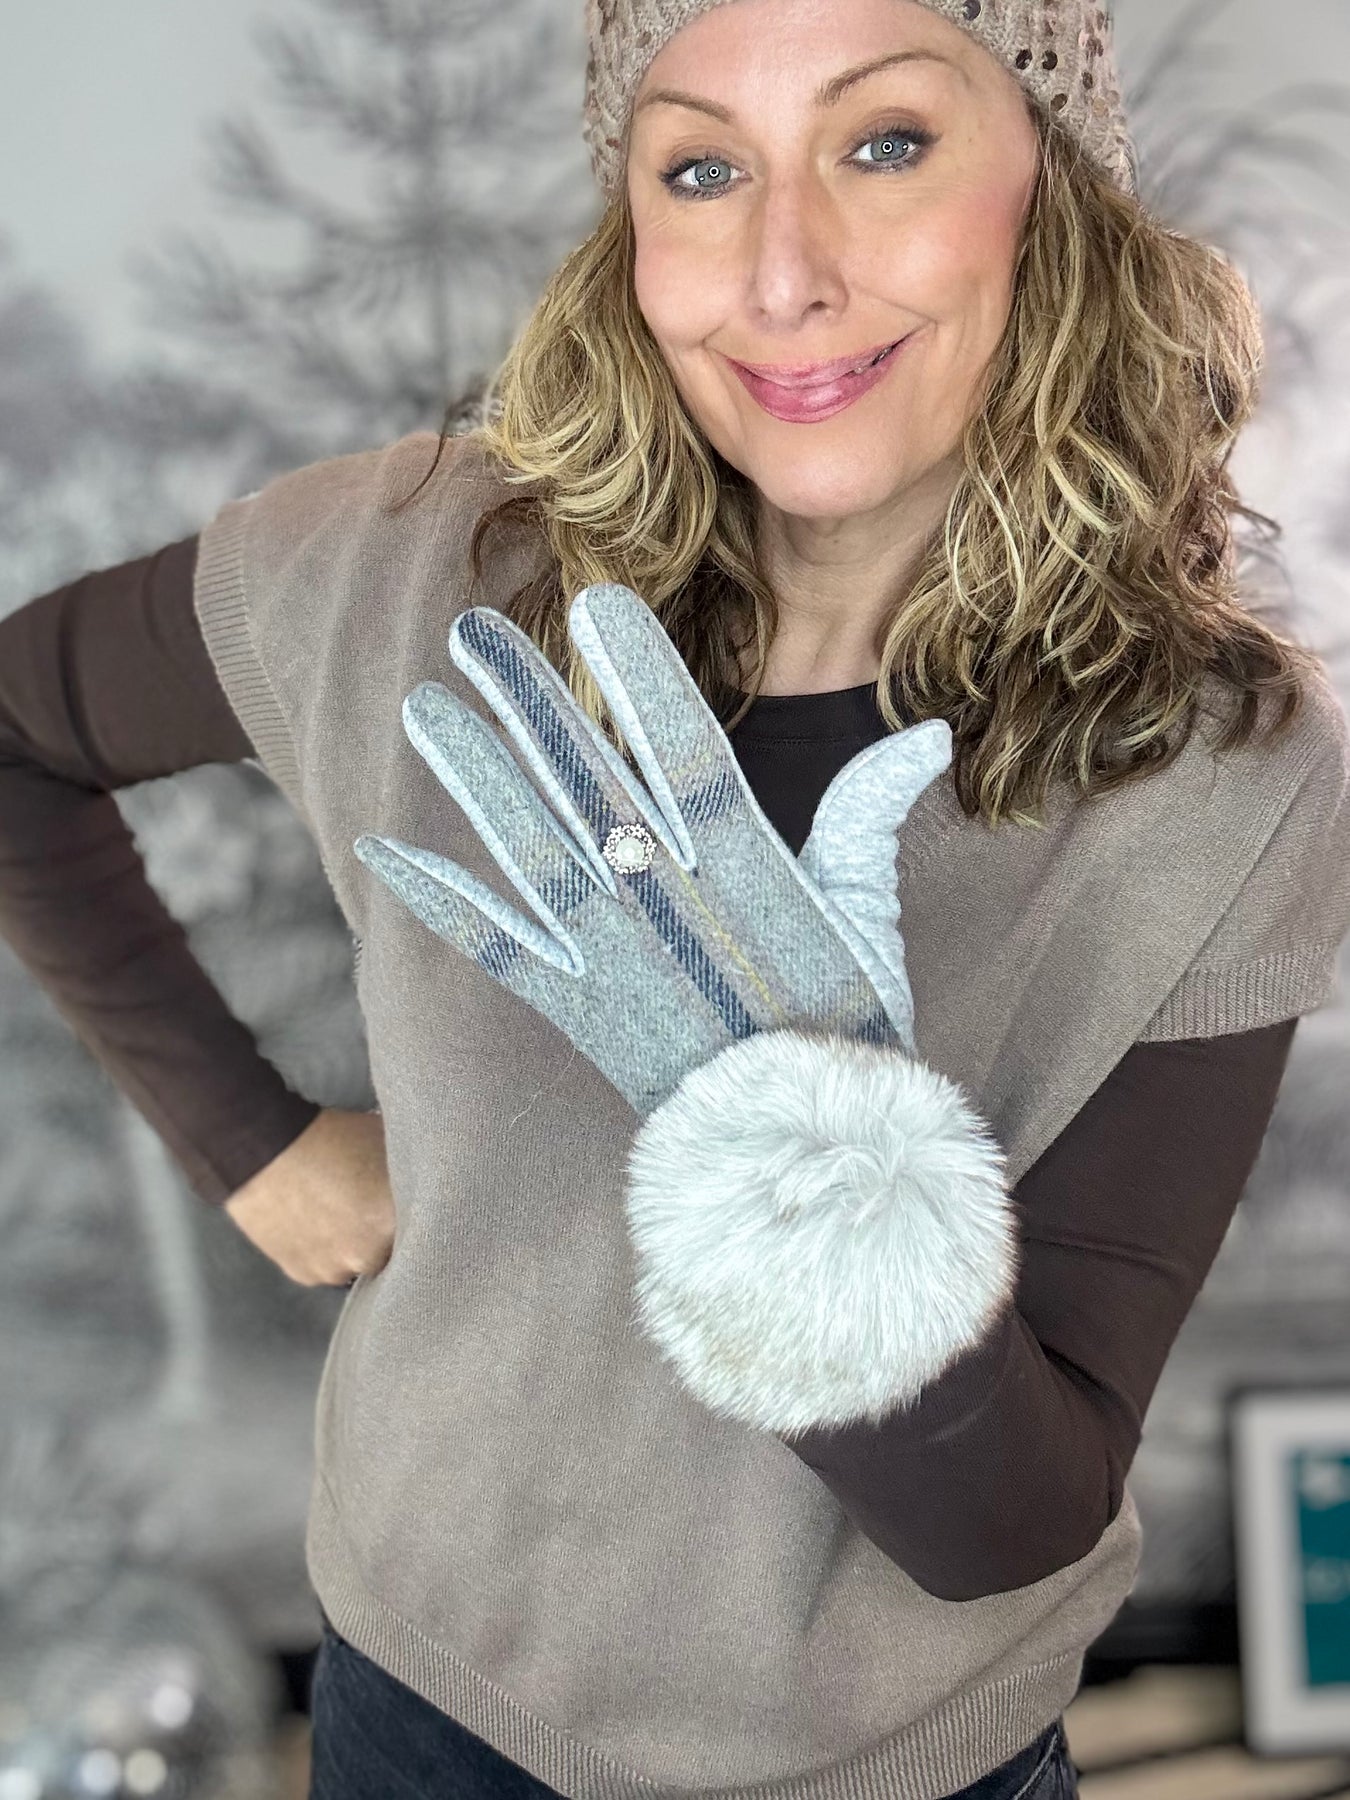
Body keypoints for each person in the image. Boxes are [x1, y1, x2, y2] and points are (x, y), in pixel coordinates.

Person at [2, 1, 1349, 1797]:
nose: (783, 275)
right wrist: (251, 1145)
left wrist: (793, 1137)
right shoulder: (409, 569)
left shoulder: (1217, 775)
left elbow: (1007, 1529)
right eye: (701, 169)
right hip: (421, 1706)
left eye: (884, 144)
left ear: (1057, 188)